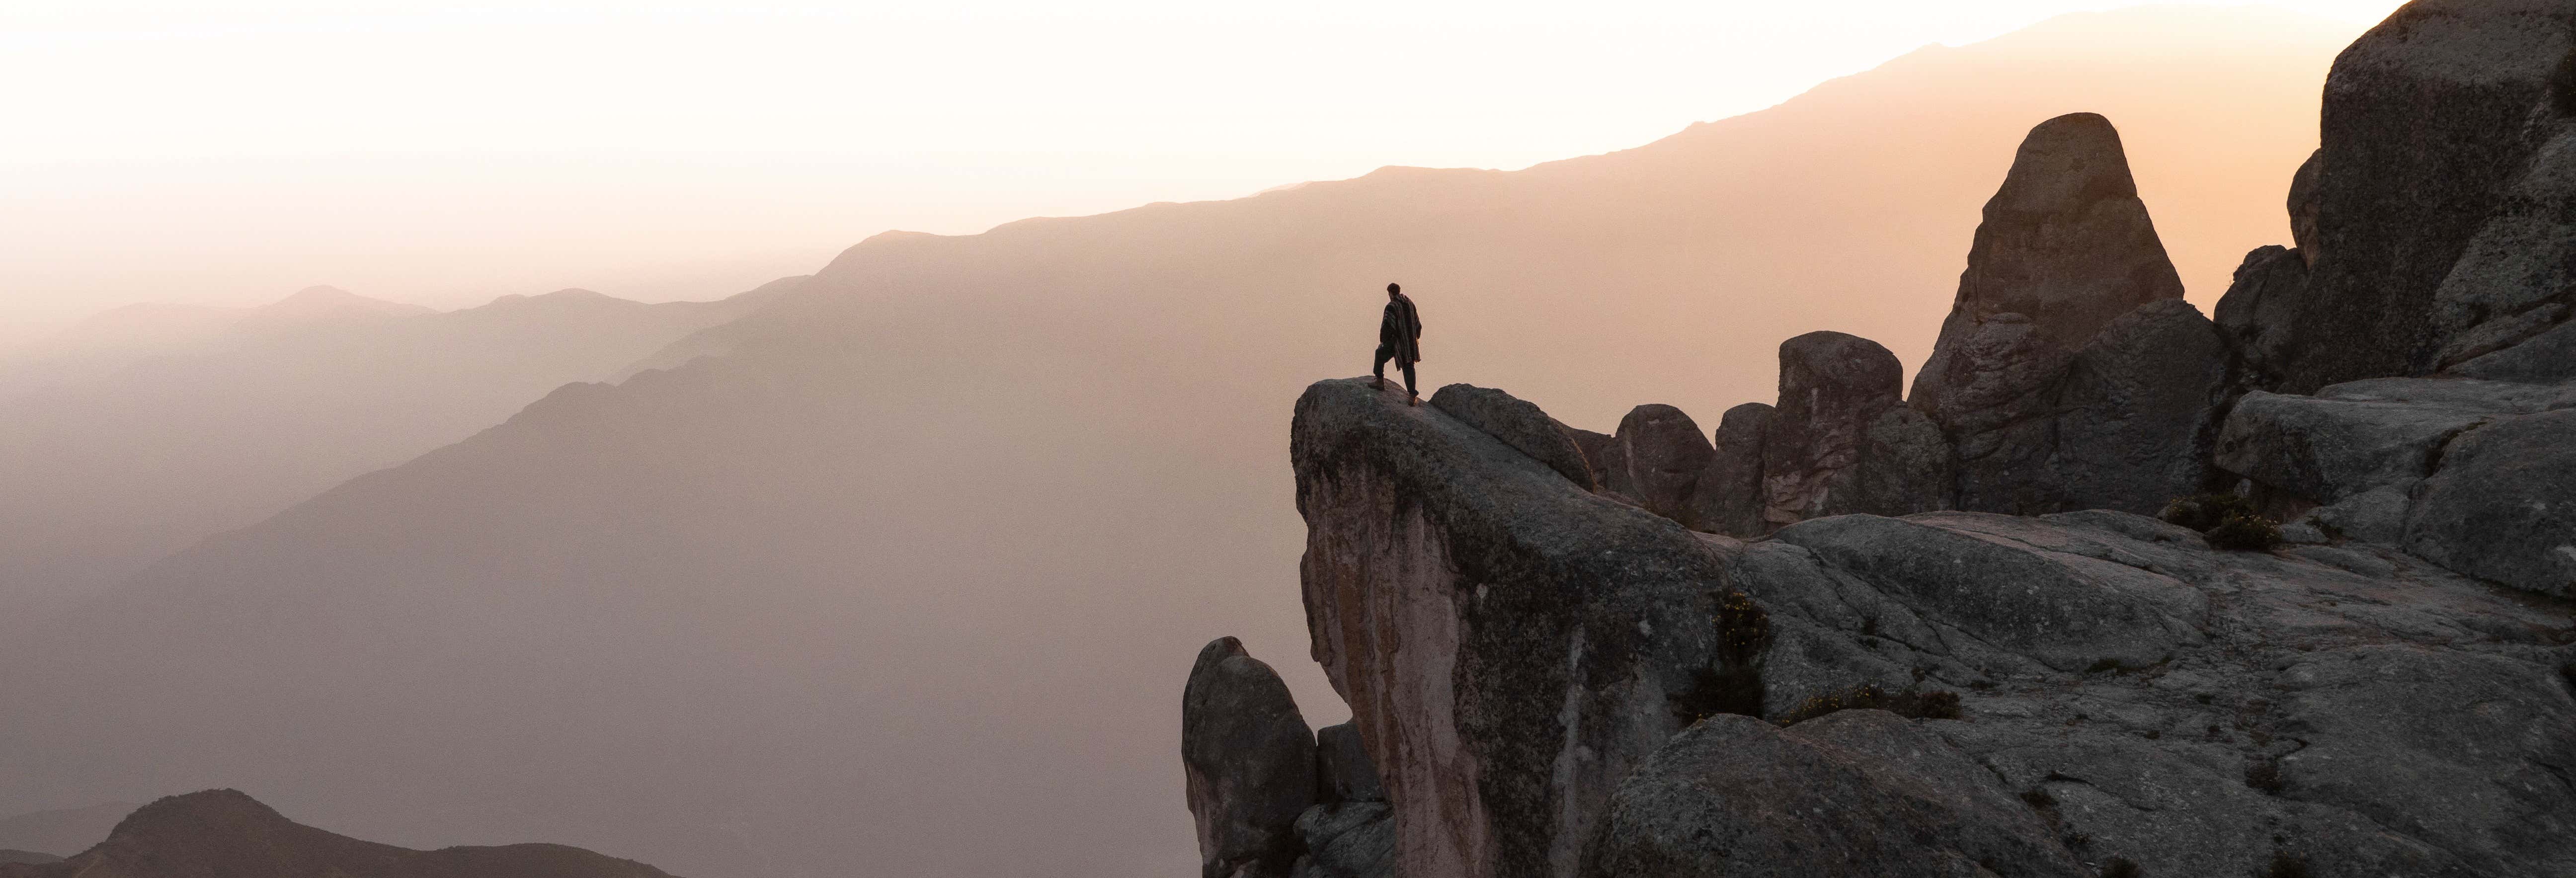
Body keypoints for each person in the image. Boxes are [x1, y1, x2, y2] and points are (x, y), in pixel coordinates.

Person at [1372, 282, 1423, 405]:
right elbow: (1418, 324)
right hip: (1411, 343)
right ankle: (1412, 396)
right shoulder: (1410, 304)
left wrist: (1384, 341)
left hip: (1397, 342)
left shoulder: (1392, 306)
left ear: (1390, 293)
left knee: (1380, 354)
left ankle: (1380, 381)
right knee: (1409, 366)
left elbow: (1388, 326)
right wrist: (1414, 338)